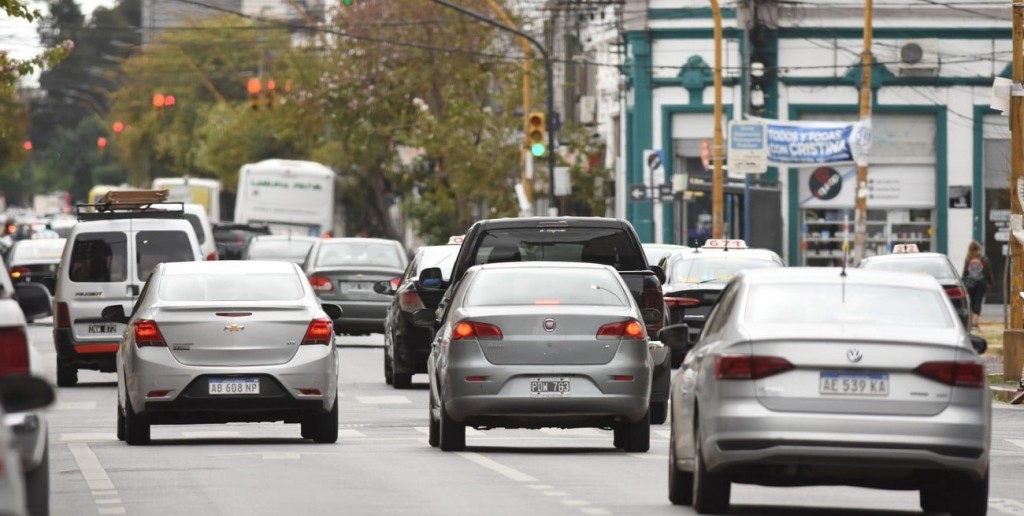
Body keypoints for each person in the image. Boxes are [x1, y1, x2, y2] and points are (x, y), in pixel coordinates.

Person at [961, 240, 993, 329]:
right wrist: (990, 283)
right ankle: (975, 322)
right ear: (979, 248)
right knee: (978, 301)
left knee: (971, 302)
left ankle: (970, 322)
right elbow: (988, 272)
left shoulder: (968, 259)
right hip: (981, 283)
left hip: (970, 284)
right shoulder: (984, 259)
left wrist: (963, 283)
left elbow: (964, 273)